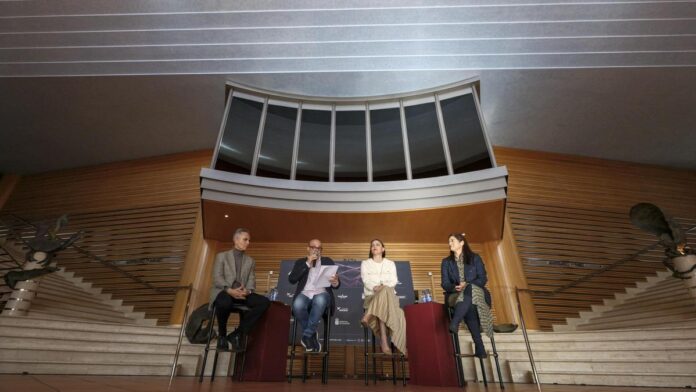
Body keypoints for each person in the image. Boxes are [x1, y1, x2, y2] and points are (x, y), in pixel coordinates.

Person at [209, 228, 270, 351]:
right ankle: (222, 336)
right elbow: (217, 277)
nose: (248, 242)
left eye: (249, 240)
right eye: (245, 239)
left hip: (242, 292)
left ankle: (237, 333)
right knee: (224, 302)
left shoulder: (250, 261)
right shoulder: (222, 256)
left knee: (264, 302)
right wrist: (229, 290)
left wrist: (248, 291)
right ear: (236, 240)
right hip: (225, 291)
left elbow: (252, 279)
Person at [441, 233, 491, 358]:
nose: (449, 244)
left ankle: (455, 321)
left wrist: (467, 285)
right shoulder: (446, 262)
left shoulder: (475, 258)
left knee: (469, 290)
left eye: (452, 241)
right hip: (455, 294)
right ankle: (479, 346)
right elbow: (445, 283)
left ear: (462, 242)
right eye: (449, 241)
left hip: (477, 291)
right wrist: (454, 287)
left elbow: (483, 279)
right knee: (470, 305)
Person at [288, 238, 340, 352]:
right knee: (297, 305)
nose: (316, 250)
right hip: (305, 293)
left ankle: (307, 335)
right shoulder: (301, 262)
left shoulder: (328, 261)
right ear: (308, 248)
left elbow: (336, 284)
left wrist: (335, 281)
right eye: (313, 247)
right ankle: (311, 334)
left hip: (322, 292)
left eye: (319, 248)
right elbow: (292, 279)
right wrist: (308, 263)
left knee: (320, 299)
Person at [360, 239, 407, 355]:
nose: (374, 246)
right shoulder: (365, 263)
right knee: (384, 301)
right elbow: (366, 280)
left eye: (377, 245)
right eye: (372, 245)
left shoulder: (390, 264)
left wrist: (382, 287)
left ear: (383, 249)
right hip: (371, 297)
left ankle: (368, 316)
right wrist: (377, 288)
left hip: (390, 297)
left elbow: (394, 281)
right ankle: (388, 342)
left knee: (386, 293)